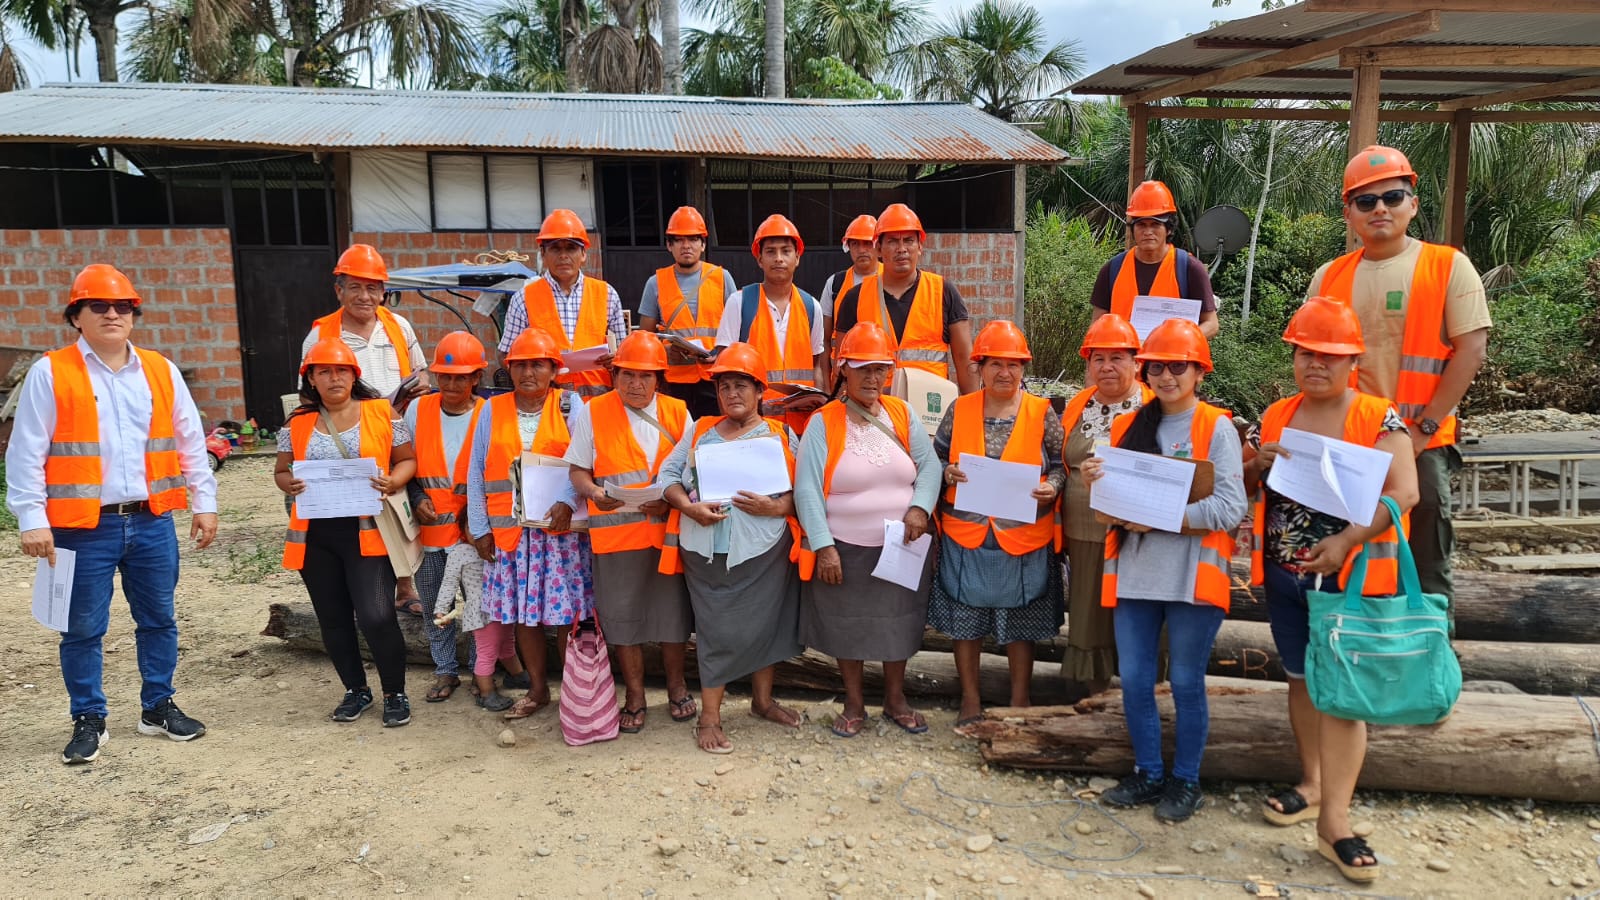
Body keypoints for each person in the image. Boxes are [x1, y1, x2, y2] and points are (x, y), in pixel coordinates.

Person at [6, 263, 218, 764]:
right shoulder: (50, 372)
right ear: (75, 316)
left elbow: (190, 443)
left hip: (151, 521)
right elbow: (25, 451)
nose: (111, 314)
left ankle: (158, 707)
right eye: (97, 306)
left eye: (122, 306)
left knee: (160, 619)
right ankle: (89, 718)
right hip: (82, 527)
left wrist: (204, 503)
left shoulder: (160, 371)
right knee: (81, 628)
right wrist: (31, 518)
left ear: (134, 314)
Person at [1246, 297, 1419, 884]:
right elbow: (1253, 483)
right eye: (1304, 352)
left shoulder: (1379, 416)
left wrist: (1347, 540)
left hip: (1348, 577)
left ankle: (1336, 824)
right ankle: (1313, 784)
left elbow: (1406, 492)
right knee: (1299, 679)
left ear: (1352, 362)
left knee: (1342, 697)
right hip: (1285, 575)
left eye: (1327, 355)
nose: (1313, 363)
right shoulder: (1276, 415)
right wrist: (1256, 462)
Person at [1305, 145, 1490, 606]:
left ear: (1413, 202)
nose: (1380, 209)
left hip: (1421, 439)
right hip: (1348, 441)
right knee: (1344, 545)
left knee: (1424, 554)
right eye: (1366, 201)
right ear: (1348, 212)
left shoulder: (1448, 267)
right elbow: (1312, 363)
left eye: (1392, 196)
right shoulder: (1328, 278)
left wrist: (1424, 428)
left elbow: (1471, 351)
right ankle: (1352, 648)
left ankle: (1429, 657)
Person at [1078, 318, 1246, 823]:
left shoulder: (1216, 427)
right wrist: (1095, 481)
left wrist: (1163, 518)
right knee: (1133, 680)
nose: (1167, 375)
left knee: (1188, 682)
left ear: (1199, 371)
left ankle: (1187, 781)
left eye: (1178, 366)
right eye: (1158, 365)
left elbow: (1229, 508)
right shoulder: (1129, 425)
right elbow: (1113, 503)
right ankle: (1149, 772)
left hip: (1193, 577)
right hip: (1136, 574)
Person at [795, 323, 942, 737]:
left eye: (880, 369)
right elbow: (806, 488)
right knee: (848, 624)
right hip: (846, 546)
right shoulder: (823, 422)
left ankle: (895, 699)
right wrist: (824, 546)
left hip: (902, 543)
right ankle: (854, 702)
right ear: (844, 369)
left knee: (900, 622)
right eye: (863, 369)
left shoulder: (901, 413)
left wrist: (919, 508)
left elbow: (929, 466)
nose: (873, 378)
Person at [659, 343, 805, 753]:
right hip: (706, 550)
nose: (732, 394)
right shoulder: (699, 431)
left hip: (763, 550)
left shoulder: (781, 434)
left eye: (742, 385)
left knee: (767, 625)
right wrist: (689, 506)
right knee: (716, 630)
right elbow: (667, 478)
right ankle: (710, 717)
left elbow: (808, 493)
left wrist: (777, 505)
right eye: (724, 387)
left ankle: (762, 702)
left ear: (760, 392)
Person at [931, 321, 1066, 728]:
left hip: (1023, 536)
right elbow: (935, 459)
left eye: (1013, 364)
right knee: (964, 622)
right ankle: (970, 700)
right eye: (994, 364)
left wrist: (1052, 488)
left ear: (1024, 369)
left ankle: (1019, 703)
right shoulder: (960, 409)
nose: (1004, 372)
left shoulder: (1043, 413)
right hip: (967, 534)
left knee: (1020, 623)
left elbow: (1061, 466)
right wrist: (947, 472)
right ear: (979, 368)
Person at [276, 339, 417, 728]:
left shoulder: (382, 412)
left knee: (376, 615)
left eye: (341, 370)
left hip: (369, 531)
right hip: (318, 536)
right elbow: (281, 471)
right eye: (324, 371)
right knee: (333, 618)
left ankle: (394, 692)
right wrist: (289, 484)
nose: (334, 377)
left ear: (355, 375)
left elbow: (407, 460)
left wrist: (393, 482)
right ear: (312, 378)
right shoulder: (298, 423)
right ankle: (355, 690)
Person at [565, 331, 696, 734]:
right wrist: (593, 492)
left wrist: (674, 498)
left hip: (665, 537)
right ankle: (635, 695)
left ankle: (677, 687)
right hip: (615, 537)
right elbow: (577, 471)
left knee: (672, 619)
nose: (635, 385)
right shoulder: (592, 411)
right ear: (614, 374)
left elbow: (694, 471)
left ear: (659, 379)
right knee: (622, 621)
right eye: (627, 375)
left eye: (645, 377)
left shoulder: (678, 412)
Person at [466, 327, 592, 720]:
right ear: (509, 369)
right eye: (520, 365)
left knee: (567, 616)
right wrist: (480, 529)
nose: (528, 373)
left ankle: (575, 689)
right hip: (510, 536)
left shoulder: (571, 406)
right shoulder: (491, 409)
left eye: (538, 364)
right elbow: (475, 471)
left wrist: (569, 502)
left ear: (554, 370)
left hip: (560, 535)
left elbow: (588, 464)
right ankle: (538, 691)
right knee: (525, 616)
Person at [301, 243, 429, 616]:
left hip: (395, 427)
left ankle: (405, 588)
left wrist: (414, 389)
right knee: (355, 516)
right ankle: (364, 590)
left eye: (372, 287)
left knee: (396, 507)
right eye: (355, 286)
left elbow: (421, 371)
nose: (364, 295)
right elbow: (309, 392)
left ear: (383, 291)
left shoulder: (398, 326)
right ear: (338, 290)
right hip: (347, 434)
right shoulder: (321, 334)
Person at [1058, 314, 1154, 695]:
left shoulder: (1153, 405)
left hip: (1139, 535)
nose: (1107, 367)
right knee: (1087, 615)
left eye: (1117, 358)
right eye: (1099, 358)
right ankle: (1092, 702)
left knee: (1136, 619)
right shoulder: (1079, 403)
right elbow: (1057, 457)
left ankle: (1137, 702)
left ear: (1136, 361)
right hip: (1083, 534)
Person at [404, 331, 488, 703]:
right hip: (429, 532)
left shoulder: (490, 414)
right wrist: (416, 494)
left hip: (474, 533)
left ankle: (482, 668)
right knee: (435, 605)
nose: (452, 383)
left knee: (480, 605)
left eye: (461, 376)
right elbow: (402, 463)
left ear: (476, 378)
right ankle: (445, 670)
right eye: (445, 376)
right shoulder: (417, 410)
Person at [831, 203, 978, 393]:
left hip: (929, 413)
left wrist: (971, 413)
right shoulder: (855, 298)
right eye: (892, 241)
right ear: (879, 249)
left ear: (920, 246)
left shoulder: (943, 292)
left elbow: (965, 361)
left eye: (908, 240)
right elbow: (842, 368)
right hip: (875, 414)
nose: (901, 249)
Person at [499, 209, 629, 402]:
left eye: (570, 248)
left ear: (583, 253)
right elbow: (506, 355)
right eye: (555, 249)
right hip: (544, 405)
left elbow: (625, 354)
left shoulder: (607, 294)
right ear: (543, 253)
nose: (563, 256)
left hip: (598, 404)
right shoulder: (524, 299)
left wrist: (615, 360)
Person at [713, 214, 829, 430]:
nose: (778, 258)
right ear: (759, 259)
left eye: (786, 251)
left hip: (801, 427)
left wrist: (819, 417)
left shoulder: (812, 307)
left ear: (797, 257)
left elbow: (816, 368)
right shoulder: (740, 303)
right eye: (770, 251)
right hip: (753, 426)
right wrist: (730, 427)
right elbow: (722, 372)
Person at [638, 205, 738, 418]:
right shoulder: (655, 283)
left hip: (714, 379)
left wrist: (720, 354)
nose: (686, 246)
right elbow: (645, 339)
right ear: (669, 245)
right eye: (679, 240)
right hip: (673, 382)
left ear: (702, 244)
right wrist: (665, 352)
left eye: (693, 239)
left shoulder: (722, 278)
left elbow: (736, 332)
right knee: (677, 439)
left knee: (712, 438)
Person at [1089, 181, 1219, 339]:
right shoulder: (1112, 269)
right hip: (1125, 362)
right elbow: (1097, 324)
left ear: (1169, 229)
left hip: (1171, 361)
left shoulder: (1189, 268)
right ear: (1133, 229)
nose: (1148, 231)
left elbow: (1211, 324)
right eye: (1141, 225)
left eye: (1156, 224)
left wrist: (1182, 339)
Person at [820, 214, 880, 343]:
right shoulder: (835, 284)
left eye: (868, 243)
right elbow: (824, 339)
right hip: (842, 361)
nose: (861, 250)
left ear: (878, 245)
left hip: (880, 361)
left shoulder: (892, 279)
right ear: (848, 246)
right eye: (855, 244)